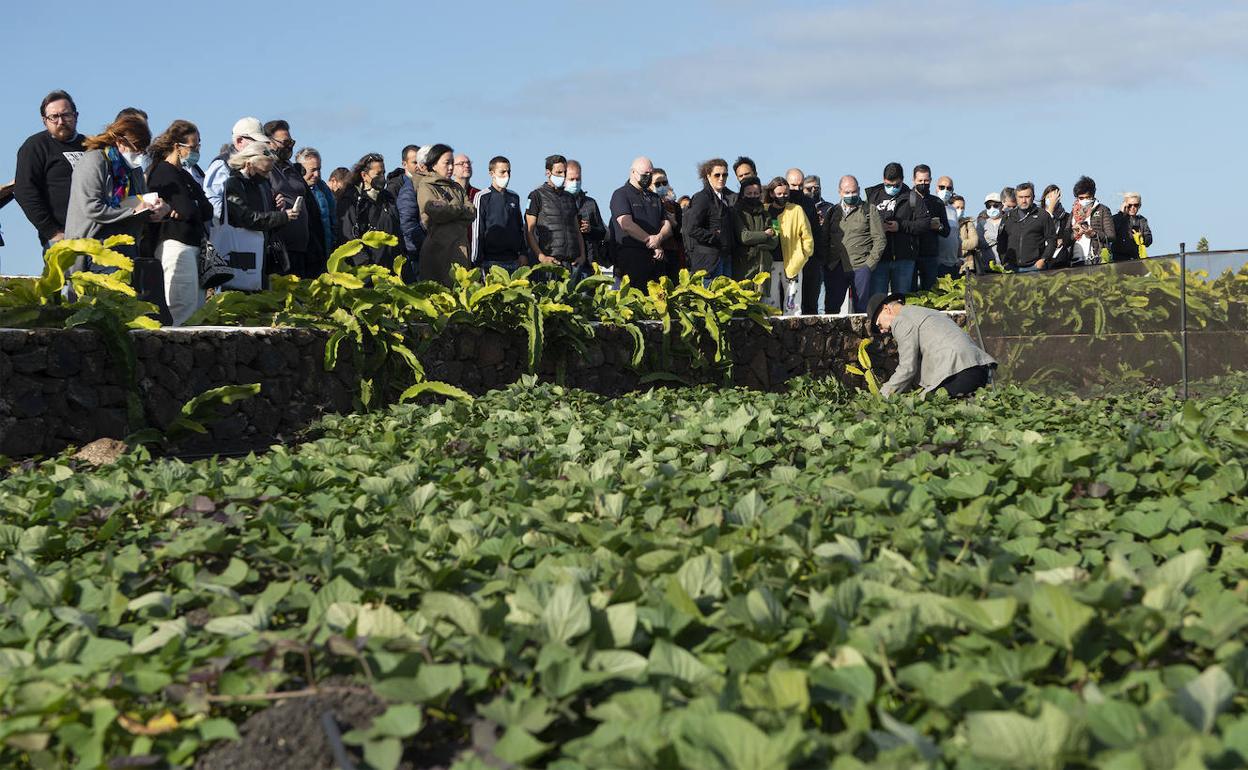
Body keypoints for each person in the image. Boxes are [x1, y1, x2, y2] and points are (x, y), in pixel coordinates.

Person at [64, 113, 169, 263]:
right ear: (120, 142)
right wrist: (133, 212)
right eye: (137, 147)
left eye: (143, 150)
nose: (140, 153)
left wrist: (158, 210)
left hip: (127, 247)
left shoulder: (135, 170)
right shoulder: (94, 160)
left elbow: (142, 202)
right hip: (95, 248)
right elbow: (93, 208)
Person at [146, 120, 214, 325]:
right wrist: (188, 208)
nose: (197, 150)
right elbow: (187, 208)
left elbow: (207, 209)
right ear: (177, 147)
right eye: (193, 147)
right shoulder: (163, 172)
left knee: (197, 310)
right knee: (182, 308)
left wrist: (189, 207)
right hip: (177, 245)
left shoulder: (186, 175)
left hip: (194, 245)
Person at [867, 292, 997, 398]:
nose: (883, 331)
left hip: (957, 375)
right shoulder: (923, 311)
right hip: (978, 369)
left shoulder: (901, 320)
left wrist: (882, 396)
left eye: (879, 325)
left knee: (919, 409)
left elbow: (907, 368)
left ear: (886, 309)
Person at [219, 143, 298, 290]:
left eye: (268, 172)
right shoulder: (234, 184)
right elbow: (246, 217)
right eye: (263, 171)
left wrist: (280, 212)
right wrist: (281, 216)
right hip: (240, 253)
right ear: (249, 164)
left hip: (263, 256)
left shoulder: (263, 185)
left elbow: (267, 219)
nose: (266, 176)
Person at [14, 90, 86, 249]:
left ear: (76, 116)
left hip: (96, 235)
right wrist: (52, 232)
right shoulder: (35, 146)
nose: (60, 121)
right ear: (44, 121)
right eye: (54, 117)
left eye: (66, 115)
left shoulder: (91, 146)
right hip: (62, 237)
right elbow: (24, 191)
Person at [263, 119, 317, 278]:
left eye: (291, 142)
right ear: (269, 142)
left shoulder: (293, 169)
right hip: (279, 250)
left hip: (301, 249)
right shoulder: (266, 169)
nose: (289, 146)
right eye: (285, 142)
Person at [417, 144, 477, 286]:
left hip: (461, 249)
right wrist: (459, 209)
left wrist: (450, 209)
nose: (450, 167)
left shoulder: (456, 188)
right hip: (439, 251)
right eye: (446, 163)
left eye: (452, 163)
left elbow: (472, 211)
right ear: (434, 164)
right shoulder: (427, 186)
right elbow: (436, 212)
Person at [824, 175, 885, 314]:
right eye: (847, 192)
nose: (851, 195)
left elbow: (880, 239)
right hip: (836, 266)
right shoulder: (832, 211)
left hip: (860, 267)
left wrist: (869, 265)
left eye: (853, 191)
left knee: (861, 310)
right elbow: (824, 239)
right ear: (840, 192)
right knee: (831, 309)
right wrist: (826, 263)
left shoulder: (869, 210)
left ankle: (862, 336)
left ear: (858, 190)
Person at [609, 157, 671, 288]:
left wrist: (659, 238)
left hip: (654, 264)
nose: (648, 177)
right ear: (633, 172)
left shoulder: (654, 198)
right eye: (644, 174)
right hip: (630, 262)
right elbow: (626, 224)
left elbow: (667, 225)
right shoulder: (621, 194)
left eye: (650, 174)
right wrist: (650, 241)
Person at [865, 162, 923, 296]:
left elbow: (924, 224)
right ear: (883, 180)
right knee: (877, 299)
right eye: (888, 185)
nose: (892, 188)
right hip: (879, 258)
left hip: (904, 259)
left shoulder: (913, 197)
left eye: (896, 185)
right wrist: (878, 228)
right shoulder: (873, 197)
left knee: (901, 299)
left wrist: (901, 226)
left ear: (902, 180)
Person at [338, 153, 402, 269]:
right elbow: (348, 234)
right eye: (378, 174)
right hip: (367, 268)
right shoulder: (351, 200)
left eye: (383, 173)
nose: (382, 177)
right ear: (364, 175)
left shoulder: (387, 197)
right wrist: (364, 263)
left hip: (391, 265)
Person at [525, 154, 585, 273]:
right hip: (548, 264)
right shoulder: (536, 196)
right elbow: (529, 231)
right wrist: (541, 257)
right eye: (558, 172)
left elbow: (577, 230)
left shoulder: (570, 198)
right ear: (548, 173)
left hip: (571, 263)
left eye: (564, 172)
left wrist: (582, 256)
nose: (562, 176)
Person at [203, 117, 270, 224]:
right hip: (235, 237)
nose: (261, 146)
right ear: (239, 141)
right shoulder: (222, 164)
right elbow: (213, 202)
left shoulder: (257, 165)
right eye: (256, 141)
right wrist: (240, 221)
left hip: (258, 236)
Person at [763, 176, 813, 316]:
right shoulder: (764, 210)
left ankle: (795, 332)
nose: (782, 196)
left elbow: (807, 236)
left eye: (785, 193)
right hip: (770, 262)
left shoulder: (796, 210)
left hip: (793, 262)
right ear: (772, 194)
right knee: (770, 301)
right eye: (779, 194)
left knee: (793, 303)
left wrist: (803, 256)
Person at [682, 158, 737, 281]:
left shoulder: (725, 198)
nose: (721, 178)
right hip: (708, 262)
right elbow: (691, 228)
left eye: (725, 175)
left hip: (724, 258)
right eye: (717, 175)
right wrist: (714, 236)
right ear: (708, 176)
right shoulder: (702, 198)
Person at [471, 156, 528, 272]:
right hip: (490, 261)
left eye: (508, 171)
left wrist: (523, 253)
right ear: (492, 173)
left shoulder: (514, 197)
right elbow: (477, 230)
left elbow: (520, 228)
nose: (506, 175)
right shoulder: (482, 197)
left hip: (513, 260)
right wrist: (476, 261)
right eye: (502, 172)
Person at [786, 167, 827, 314]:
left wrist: (818, 257)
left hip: (810, 259)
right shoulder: (782, 202)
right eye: (793, 185)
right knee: (791, 305)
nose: (796, 188)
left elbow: (816, 231)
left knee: (810, 304)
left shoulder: (809, 203)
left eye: (800, 185)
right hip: (789, 261)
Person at [732, 175, 778, 289]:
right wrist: (765, 235)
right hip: (744, 267)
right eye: (749, 193)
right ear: (742, 194)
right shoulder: (736, 212)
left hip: (764, 268)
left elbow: (775, 240)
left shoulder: (767, 214)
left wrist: (756, 242)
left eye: (756, 193)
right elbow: (745, 237)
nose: (753, 196)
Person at [909, 164, 950, 291]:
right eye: (920, 181)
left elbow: (946, 231)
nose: (923, 183)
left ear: (931, 180)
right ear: (914, 181)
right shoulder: (907, 200)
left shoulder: (937, 202)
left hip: (930, 255)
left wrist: (938, 227)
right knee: (910, 292)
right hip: (910, 253)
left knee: (930, 292)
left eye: (926, 181)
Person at [999, 182, 1056, 272]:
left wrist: (1043, 259)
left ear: (1033, 197)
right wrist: (1004, 261)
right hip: (1012, 268)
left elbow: (1052, 241)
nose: (1024, 200)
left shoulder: (1043, 215)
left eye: (1027, 197)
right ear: (1016, 198)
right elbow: (1001, 241)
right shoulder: (1008, 216)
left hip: (1035, 267)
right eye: (1020, 197)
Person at [566, 160, 608, 272]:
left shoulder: (590, 203)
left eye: (578, 179)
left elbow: (602, 232)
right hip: (566, 262)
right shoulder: (556, 203)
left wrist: (590, 229)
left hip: (588, 264)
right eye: (571, 179)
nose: (575, 183)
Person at [297, 147, 338, 261]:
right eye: (313, 170)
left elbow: (333, 219)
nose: (317, 174)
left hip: (324, 251)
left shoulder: (323, 188)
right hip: (303, 253)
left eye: (319, 169)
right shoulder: (292, 188)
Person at [394, 145, 428, 277]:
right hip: (415, 254)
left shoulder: (425, 184)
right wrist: (425, 245)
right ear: (404, 164)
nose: (418, 166)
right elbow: (407, 223)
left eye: (421, 162)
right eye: (414, 162)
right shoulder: (404, 188)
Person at [1069, 176, 1116, 266]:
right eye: (1081, 198)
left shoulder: (1102, 209)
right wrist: (1075, 234)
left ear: (1093, 195)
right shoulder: (1073, 212)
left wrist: (1093, 234)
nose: (1084, 201)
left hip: (1096, 259)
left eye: (1087, 197)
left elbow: (1111, 236)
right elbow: (1066, 238)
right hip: (1076, 260)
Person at [651, 168, 685, 277]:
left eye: (664, 183)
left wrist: (672, 218)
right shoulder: (648, 205)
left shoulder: (674, 206)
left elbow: (680, 231)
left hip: (673, 252)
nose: (661, 186)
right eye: (657, 184)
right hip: (655, 253)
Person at [934, 176, 961, 280]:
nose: (945, 190)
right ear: (936, 188)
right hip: (938, 264)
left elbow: (956, 236)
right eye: (942, 187)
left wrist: (959, 258)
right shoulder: (932, 205)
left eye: (949, 188)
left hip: (953, 264)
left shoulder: (953, 210)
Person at [1112, 193, 1152, 262]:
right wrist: (1121, 213)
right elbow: (1112, 232)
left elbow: (1149, 240)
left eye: (1136, 205)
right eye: (1129, 205)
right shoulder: (1117, 218)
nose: (1132, 208)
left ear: (1139, 206)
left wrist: (1141, 238)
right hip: (1118, 259)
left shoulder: (1142, 220)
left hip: (1137, 258)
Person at [1041, 184, 1071, 268]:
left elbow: (1069, 234)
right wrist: (1051, 208)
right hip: (1042, 256)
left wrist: (1062, 240)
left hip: (1060, 258)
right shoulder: (1038, 215)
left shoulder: (1066, 217)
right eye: (1049, 196)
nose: (1052, 199)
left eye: (1055, 197)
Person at [975, 193, 1006, 274]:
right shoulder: (982, 223)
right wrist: (999, 238)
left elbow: (1010, 239)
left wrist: (989, 237)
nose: (992, 208)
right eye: (988, 206)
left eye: (995, 205)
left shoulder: (1008, 221)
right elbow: (981, 243)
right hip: (987, 267)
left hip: (1006, 266)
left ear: (1002, 206)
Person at [950, 195, 979, 274]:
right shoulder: (946, 222)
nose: (960, 210)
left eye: (962, 208)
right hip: (949, 263)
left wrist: (954, 242)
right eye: (957, 207)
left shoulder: (968, 223)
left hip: (966, 266)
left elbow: (974, 242)